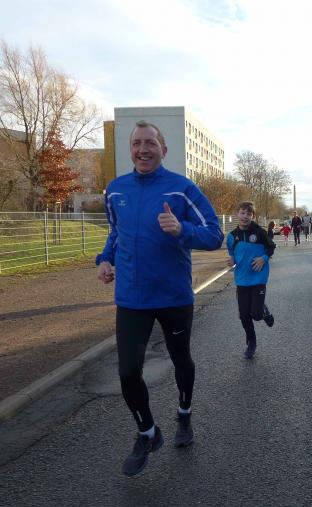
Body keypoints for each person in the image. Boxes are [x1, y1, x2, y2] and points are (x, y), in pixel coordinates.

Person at [96, 120, 224, 477]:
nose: (143, 149)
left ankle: (184, 413)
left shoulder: (182, 189)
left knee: (181, 359)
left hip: (173, 296)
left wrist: (182, 229)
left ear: (163, 149)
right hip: (132, 298)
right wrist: (104, 259)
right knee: (127, 372)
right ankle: (147, 432)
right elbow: (116, 232)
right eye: (137, 143)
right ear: (130, 149)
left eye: (150, 143)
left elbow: (215, 235)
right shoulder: (115, 190)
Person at [227, 201, 276, 358]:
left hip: (258, 277)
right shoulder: (231, 236)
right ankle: (251, 342)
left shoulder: (260, 232)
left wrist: (263, 258)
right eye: (242, 213)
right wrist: (231, 260)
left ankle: (263, 310)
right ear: (237, 214)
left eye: (249, 214)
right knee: (244, 315)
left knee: (256, 314)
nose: (245, 216)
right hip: (241, 279)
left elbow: (271, 247)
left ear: (253, 216)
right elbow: (232, 254)